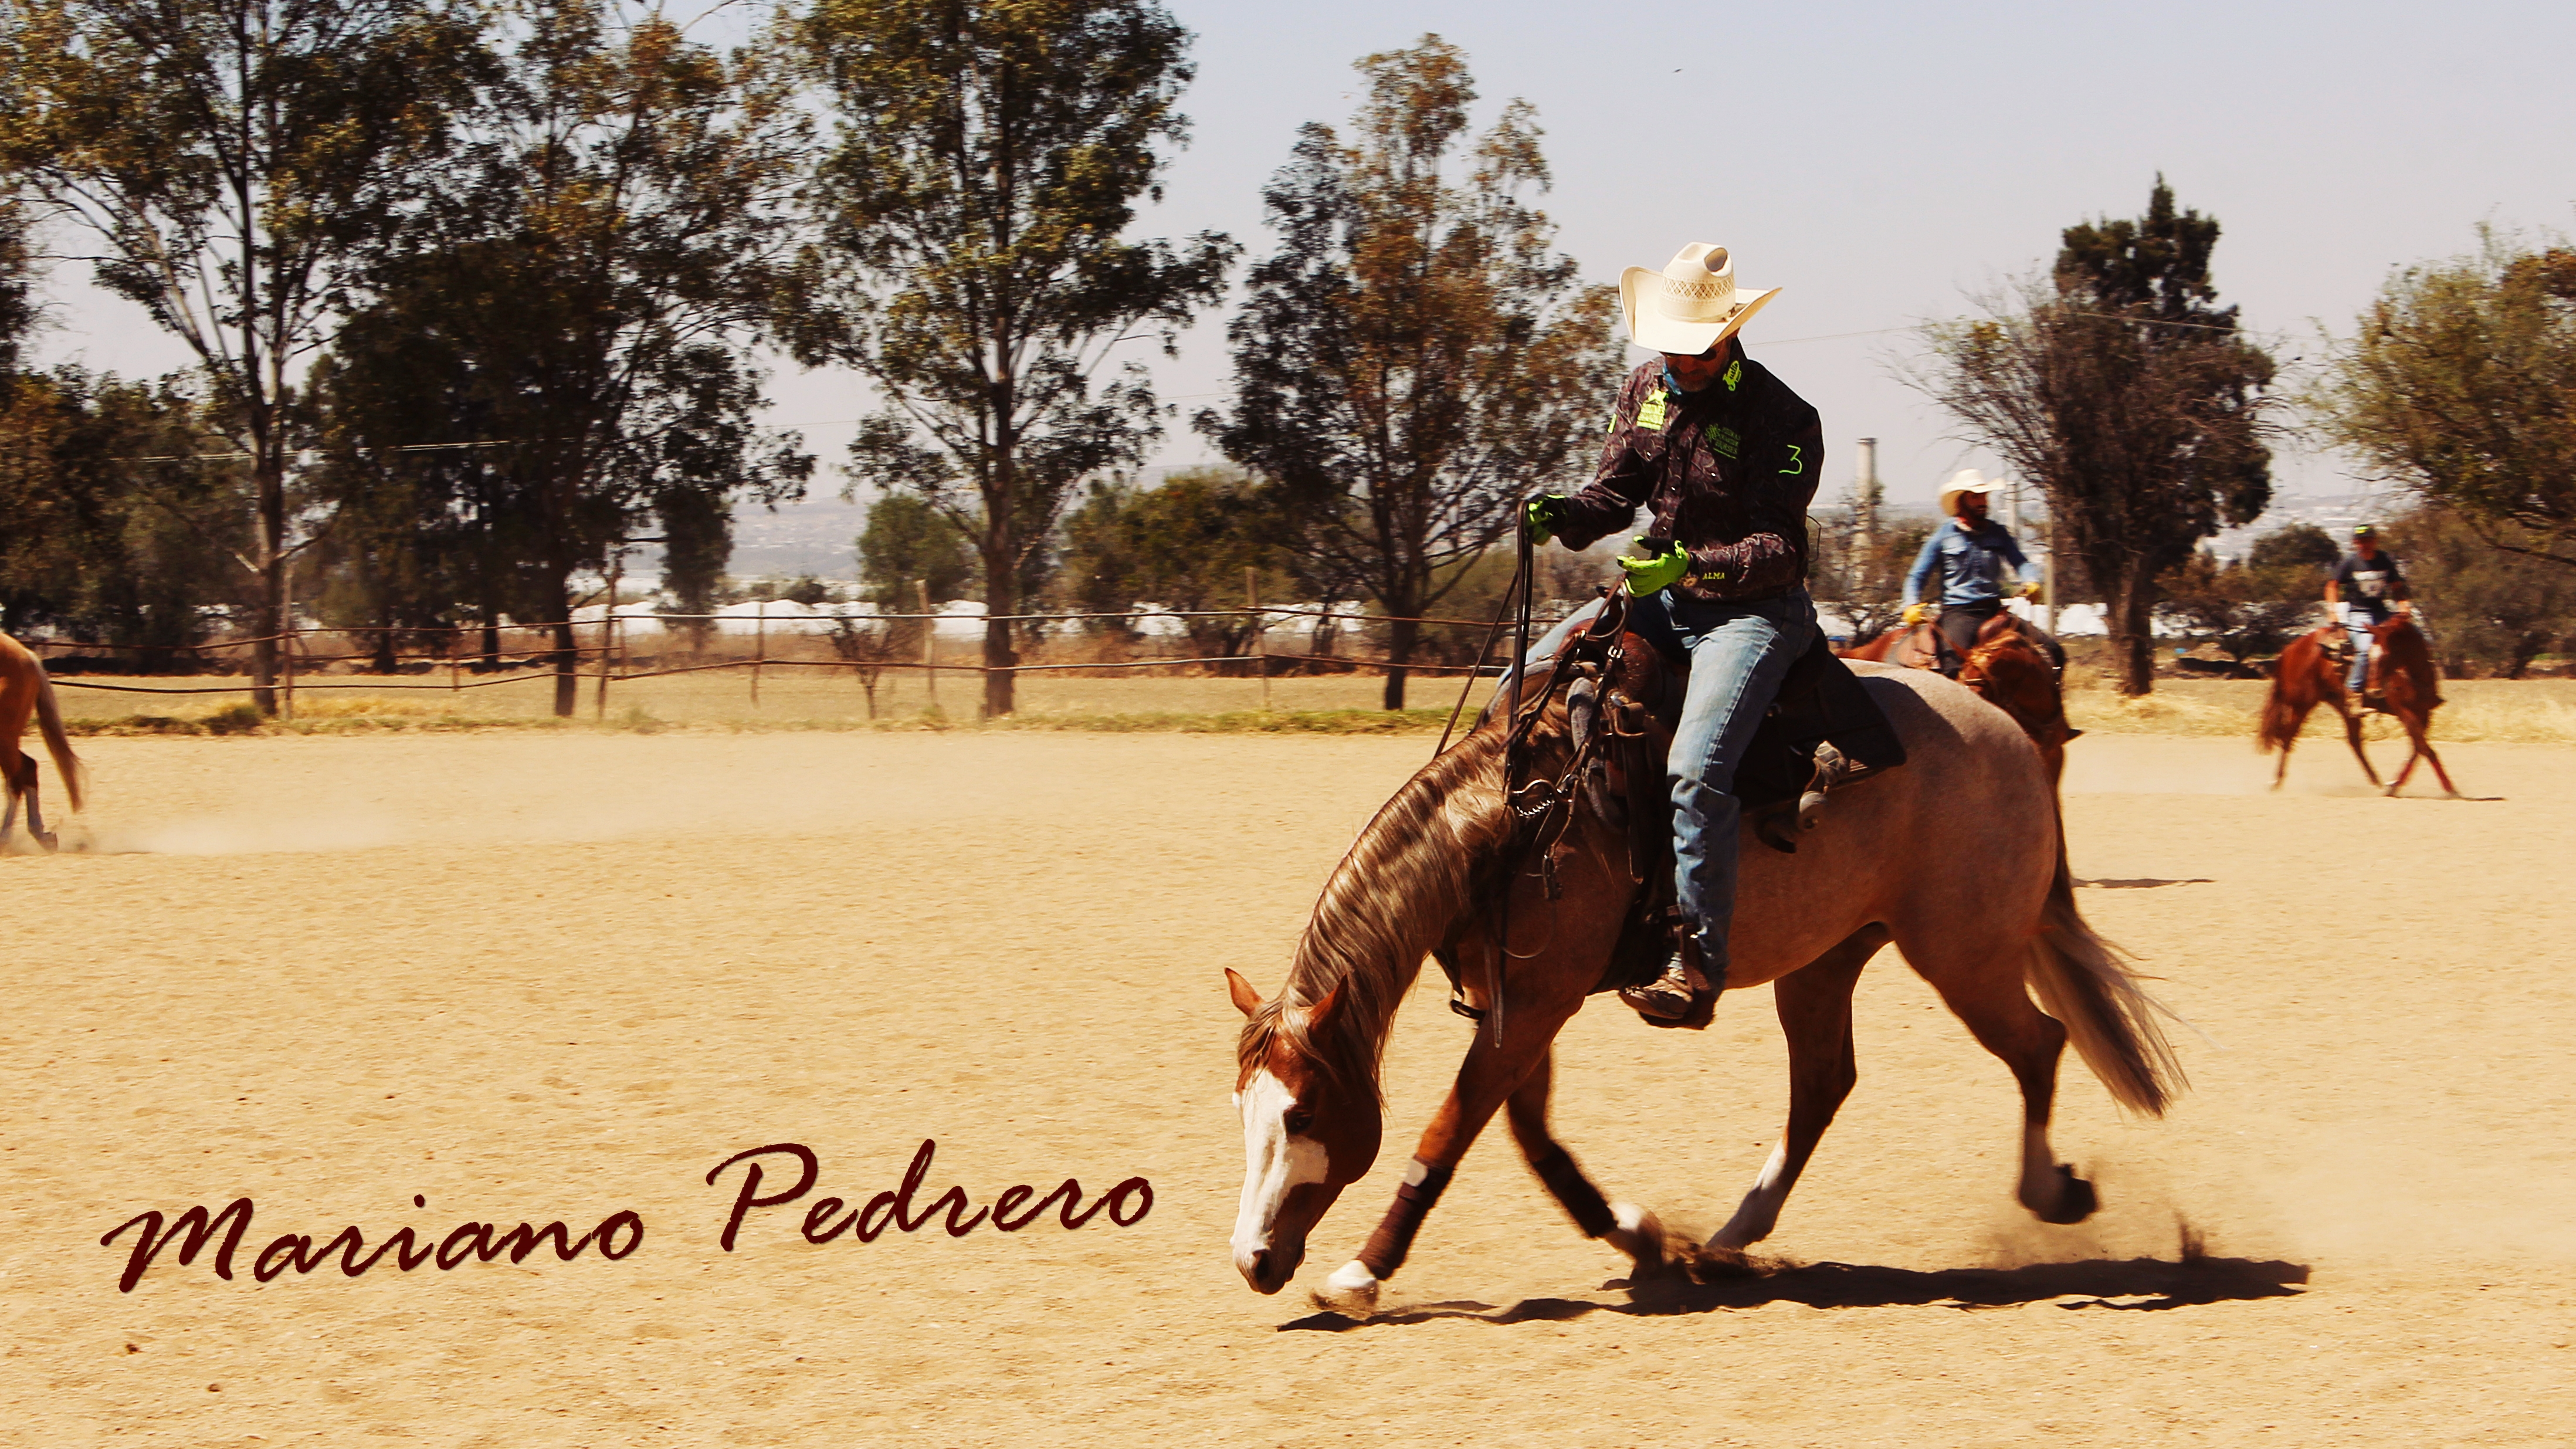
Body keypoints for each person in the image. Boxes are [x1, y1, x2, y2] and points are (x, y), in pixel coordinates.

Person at [1521, 243, 1819, 1027]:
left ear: (1729, 337)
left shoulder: (1785, 418)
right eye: (1671, 347)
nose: (1681, 363)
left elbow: (1781, 549)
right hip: (1656, 596)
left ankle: (1697, 966)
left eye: (1697, 349)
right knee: (1525, 679)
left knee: (1694, 767)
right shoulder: (1644, 389)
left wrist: (1690, 565)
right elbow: (1614, 491)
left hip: (1752, 612)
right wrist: (1567, 514)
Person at [1901, 472, 2043, 675]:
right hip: (1959, 614)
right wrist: (1911, 605)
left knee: (2052, 651)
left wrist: (2031, 580)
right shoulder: (1943, 536)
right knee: (1952, 668)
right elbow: (1917, 576)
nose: (1982, 502)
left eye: (1984, 496)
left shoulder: (1998, 533)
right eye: (1975, 497)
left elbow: (2020, 562)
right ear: (1961, 501)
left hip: (1995, 611)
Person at [2324, 524, 2409, 702]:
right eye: (2362, 541)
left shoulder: (2385, 560)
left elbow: (2397, 587)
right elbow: (2332, 585)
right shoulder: (2350, 563)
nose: (2366, 544)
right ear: (2356, 543)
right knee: (2365, 649)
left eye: (2369, 540)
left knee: (2411, 638)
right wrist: (2332, 610)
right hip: (2358, 613)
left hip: (2381, 612)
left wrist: (2403, 604)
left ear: (2375, 541)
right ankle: (2353, 692)